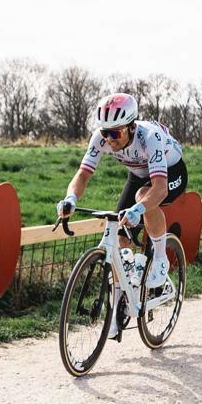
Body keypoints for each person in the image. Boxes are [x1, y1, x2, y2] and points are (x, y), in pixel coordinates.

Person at [57, 91, 187, 289]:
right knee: (119, 237)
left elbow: (159, 189)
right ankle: (122, 302)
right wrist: (71, 198)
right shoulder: (100, 139)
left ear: (132, 127)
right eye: (105, 132)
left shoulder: (149, 137)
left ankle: (160, 260)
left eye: (115, 133)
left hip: (171, 172)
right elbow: (83, 175)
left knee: (143, 197)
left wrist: (138, 210)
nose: (109, 139)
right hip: (138, 175)